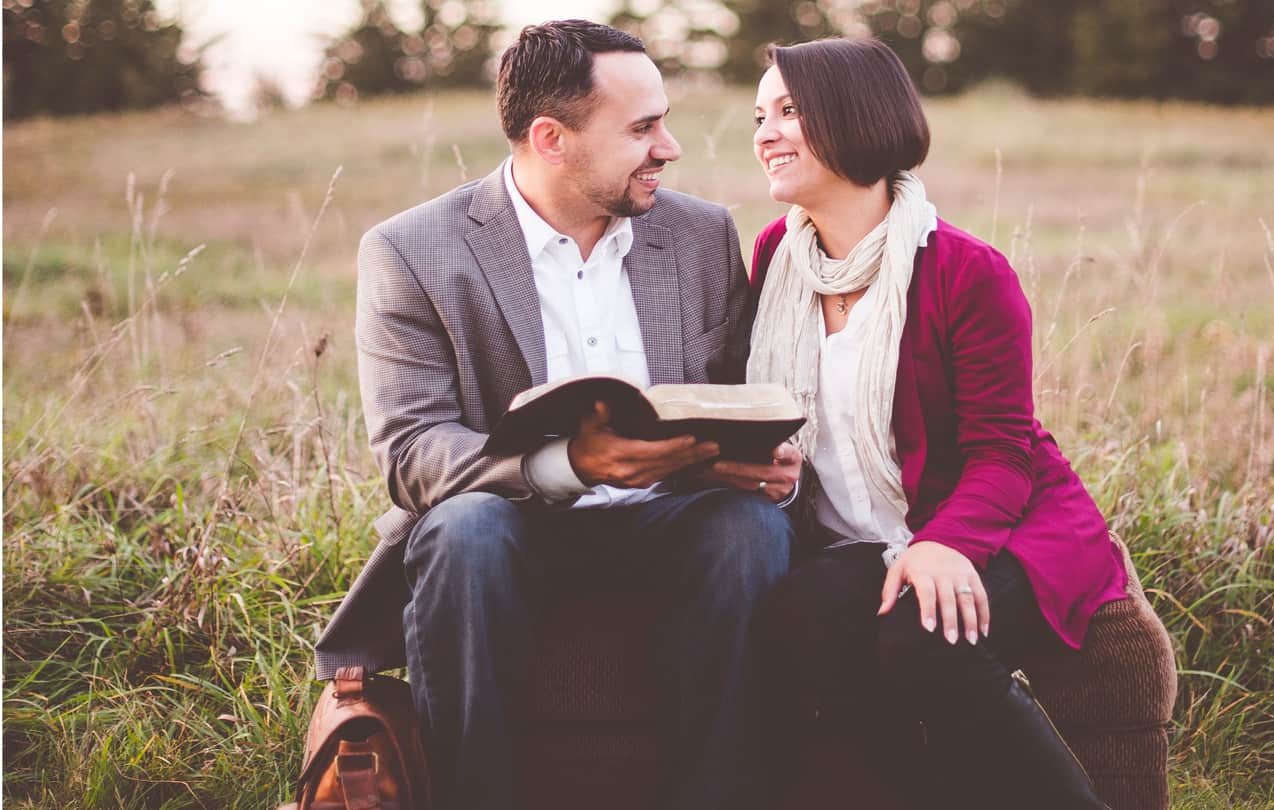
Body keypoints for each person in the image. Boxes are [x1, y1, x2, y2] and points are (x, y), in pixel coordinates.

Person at [312, 20, 799, 810]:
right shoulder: (412, 250)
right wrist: (569, 465)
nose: (669, 148)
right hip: (512, 524)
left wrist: (761, 459)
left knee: (749, 529)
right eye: (641, 129)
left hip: (671, 518)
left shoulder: (701, 233)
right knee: (464, 531)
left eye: (664, 123)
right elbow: (412, 451)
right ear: (551, 139)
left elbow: (737, 393)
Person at [747, 38, 1130, 808]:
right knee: (800, 619)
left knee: (925, 639)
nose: (765, 133)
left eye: (788, 111)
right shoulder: (776, 257)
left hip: (1006, 524)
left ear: (853, 117)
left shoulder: (965, 269)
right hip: (864, 537)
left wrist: (946, 543)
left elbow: (1003, 452)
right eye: (760, 116)